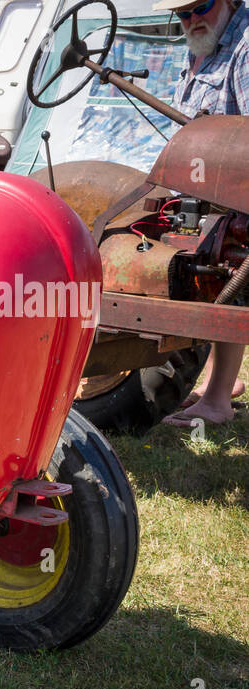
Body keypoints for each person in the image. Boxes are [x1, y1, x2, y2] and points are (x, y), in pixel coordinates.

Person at [156, 0, 249, 426]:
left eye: (201, 7)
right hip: (207, 185)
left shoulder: (246, 45)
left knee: (227, 281)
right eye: (183, 14)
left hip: (236, 188)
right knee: (215, 280)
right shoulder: (203, 43)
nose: (192, 19)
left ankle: (216, 403)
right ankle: (222, 382)